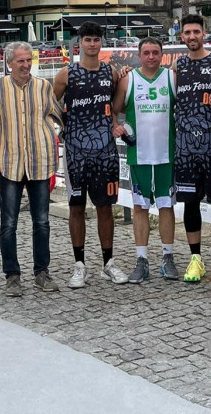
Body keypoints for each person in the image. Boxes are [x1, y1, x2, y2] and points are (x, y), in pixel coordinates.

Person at [0, 41, 63, 296]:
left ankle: (42, 272)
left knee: (42, 221)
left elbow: (57, 115)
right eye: (21, 61)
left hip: (40, 160)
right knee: (8, 223)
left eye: (29, 60)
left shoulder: (43, 86)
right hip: (11, 161)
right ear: (9, 63)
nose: (26, 65)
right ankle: (12, 275)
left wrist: (54, 132)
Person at [53, 21, 128, 288]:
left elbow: (117, 104)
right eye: (88, 40)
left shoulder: (112, 72)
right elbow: (51, 105)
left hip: (105, 150)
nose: (93, 44)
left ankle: (107, 263)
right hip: (75, 150)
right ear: (80, 43)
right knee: (76, 207)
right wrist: (64, 129)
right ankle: (79, 264)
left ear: (101, 43)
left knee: (105, 207)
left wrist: (115, 124)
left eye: (97, 40)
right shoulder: (66, 74)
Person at [172, 14, 211, 283]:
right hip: (185, 144)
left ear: (204, 34)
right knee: (189, 203)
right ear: (182, 37)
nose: (192, 36)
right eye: (188, 32)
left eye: (197, 31)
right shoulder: (178, 65)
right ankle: (195, 258)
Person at [113, 37, 179, 283]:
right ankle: (141, 259)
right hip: (138, 155)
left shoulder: (172, 78)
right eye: (146, 53)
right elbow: (114, 110)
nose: (151, 57)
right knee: (140, 207)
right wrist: (116, 128)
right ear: (139, 55)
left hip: (165, 154)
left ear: (162, 55)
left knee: (166, 206)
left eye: (155, 52)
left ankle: (167, 257)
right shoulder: (128, 80)